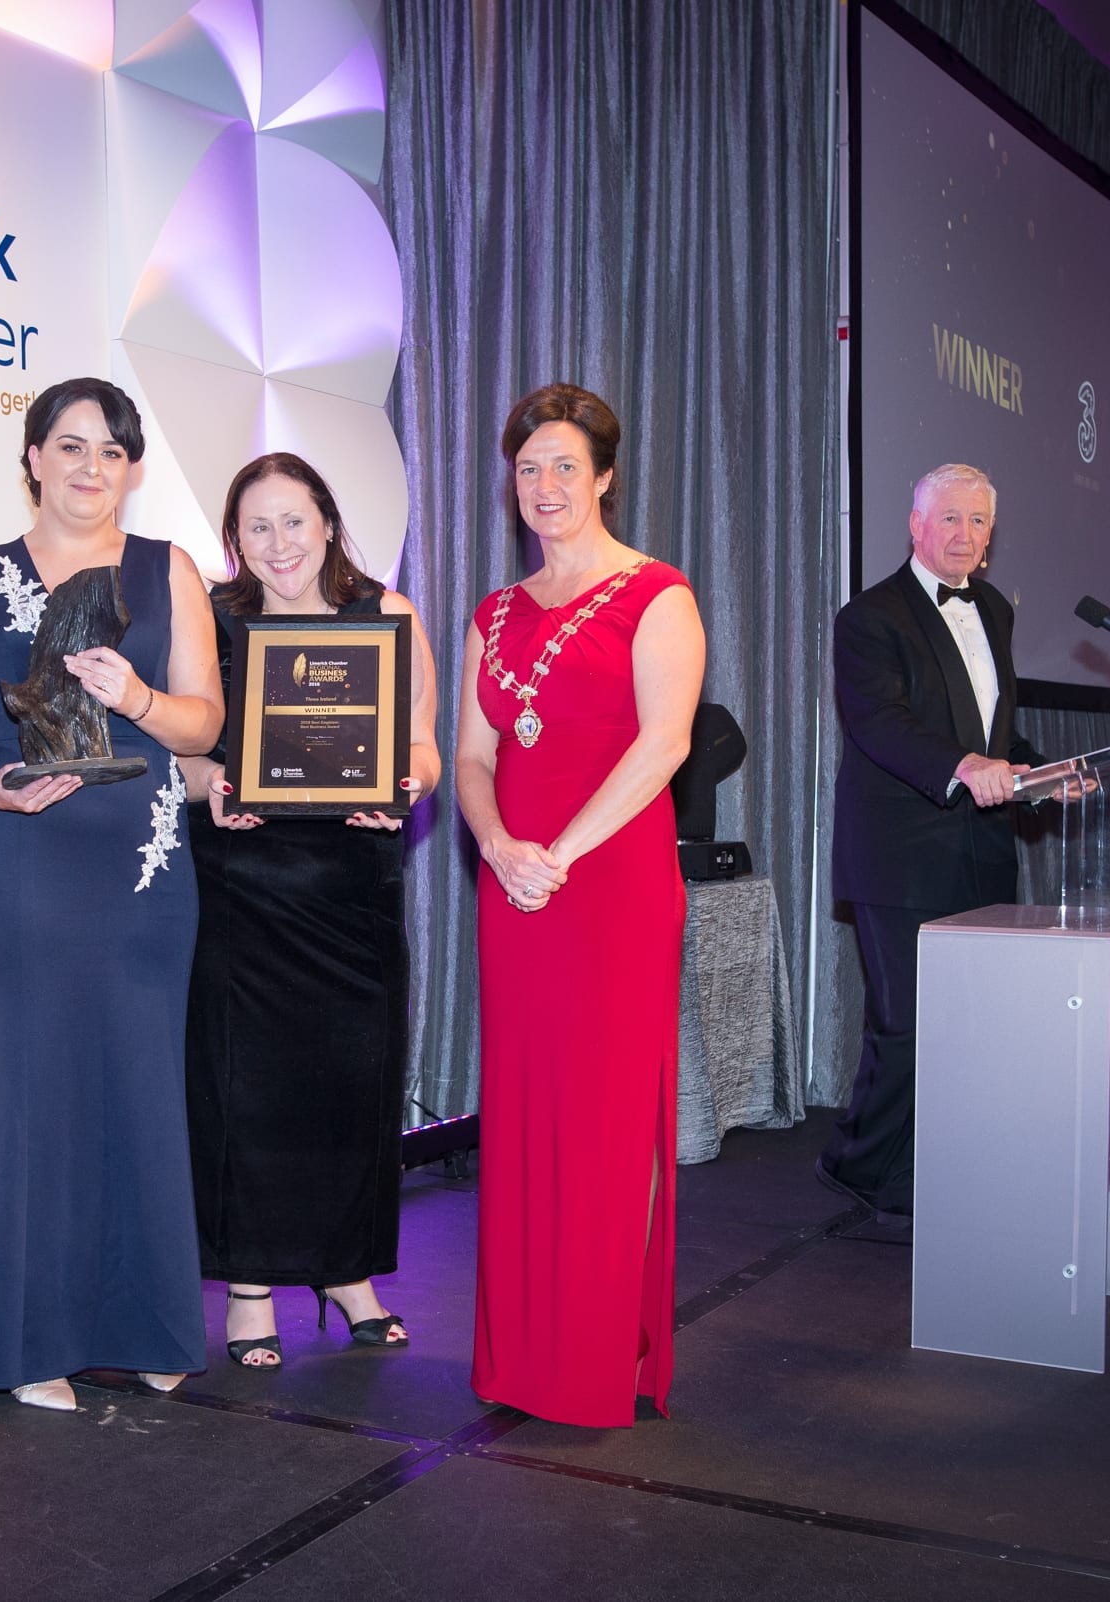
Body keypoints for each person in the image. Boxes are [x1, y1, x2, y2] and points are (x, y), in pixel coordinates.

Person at [0, 378, 226, 1410]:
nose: (92, 467)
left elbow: (201, 726)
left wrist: (133, 696)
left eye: (112, 451)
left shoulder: (167, 570)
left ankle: (149, 1327)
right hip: (24, 868)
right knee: (34, 1096)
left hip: (143, 876)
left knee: (142, 1092)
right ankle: (32, 1342)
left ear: (131, 469)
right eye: (72, 445)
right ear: (35, 457)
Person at [455, 383, 704, 1428]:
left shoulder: (661, 594)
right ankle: (523, 1355)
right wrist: (500, 844)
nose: (546, 487)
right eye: (528, 470)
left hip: (610, 888)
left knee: (604, 1123)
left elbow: (665, 746)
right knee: (521, 1119)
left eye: (566, 466)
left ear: (605, 475)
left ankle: (601, 1353)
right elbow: (471, 755)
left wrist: (554, 853)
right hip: (514, 888)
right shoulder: (493, 614)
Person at [179, 453, 441, 1369]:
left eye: (294, 521)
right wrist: (210, 781)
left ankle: (345, 1275)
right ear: (234, 541)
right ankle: (250, 1287)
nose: (278, 544)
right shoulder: (209, 624)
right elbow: (183, 754)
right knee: (243, 1093)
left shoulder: (388, 614)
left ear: (328, 522)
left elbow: (422, 746)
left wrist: (408, 784)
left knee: (349, 1090)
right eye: (257, 527)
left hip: (351, 892)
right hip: (242, 892)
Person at [821, 462, 1044, 1218]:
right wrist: (963, 765)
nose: (964, 535)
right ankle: (862, 1166)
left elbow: (995, 728)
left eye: (978, 522)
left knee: (975, 1021)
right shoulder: (869, 618)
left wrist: (1047, 775)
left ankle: (946, 1157)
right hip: (898, 850)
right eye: (949, 518)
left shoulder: (997, 613)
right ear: (915, 525)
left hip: (982, 847)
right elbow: (881, 724)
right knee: (908, 1021)